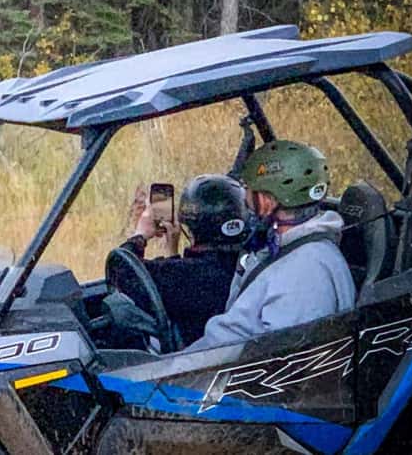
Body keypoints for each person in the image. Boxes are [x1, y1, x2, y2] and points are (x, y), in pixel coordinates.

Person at [187, 140, 356, 351]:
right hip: (208, 362)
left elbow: (289, 366)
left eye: (247, 192)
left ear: (266, 202)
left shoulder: (305, 273)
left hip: (214, 375)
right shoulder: (284, 250)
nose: (244, 203)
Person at [120, 174, 248, 345]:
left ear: (190, 225)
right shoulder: (250, 263)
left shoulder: (180, 276)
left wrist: (140, 235)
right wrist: (172, 252)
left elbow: (121, 272)